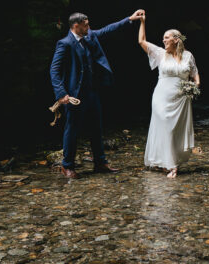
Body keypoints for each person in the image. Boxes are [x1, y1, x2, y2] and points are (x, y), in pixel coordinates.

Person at [50, 9, 144, 179]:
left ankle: (100, 163)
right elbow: (54, 71)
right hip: (74, 95)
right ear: (76, 26)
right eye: (86, 25)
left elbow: (108, 29)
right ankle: (67, 165)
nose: (89, 27)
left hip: (92, 91)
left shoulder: (90, 36)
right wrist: (61, 94)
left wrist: (129, 19)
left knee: (96, 128)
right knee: (72, 130)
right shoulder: (64, 43)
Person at [138, 15, 199, 178]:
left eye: (166, 38)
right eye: (163, 38)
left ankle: (170, 161)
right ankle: (171, 165)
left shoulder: (188, 56)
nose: (163, 40)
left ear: (176, 40)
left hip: (181, 99)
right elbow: (141, 41)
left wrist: (194, 87)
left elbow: (195, 75)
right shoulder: (160, 53)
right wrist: (142, 22)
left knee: (175, 130)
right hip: (161, 97)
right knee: (165, 127)